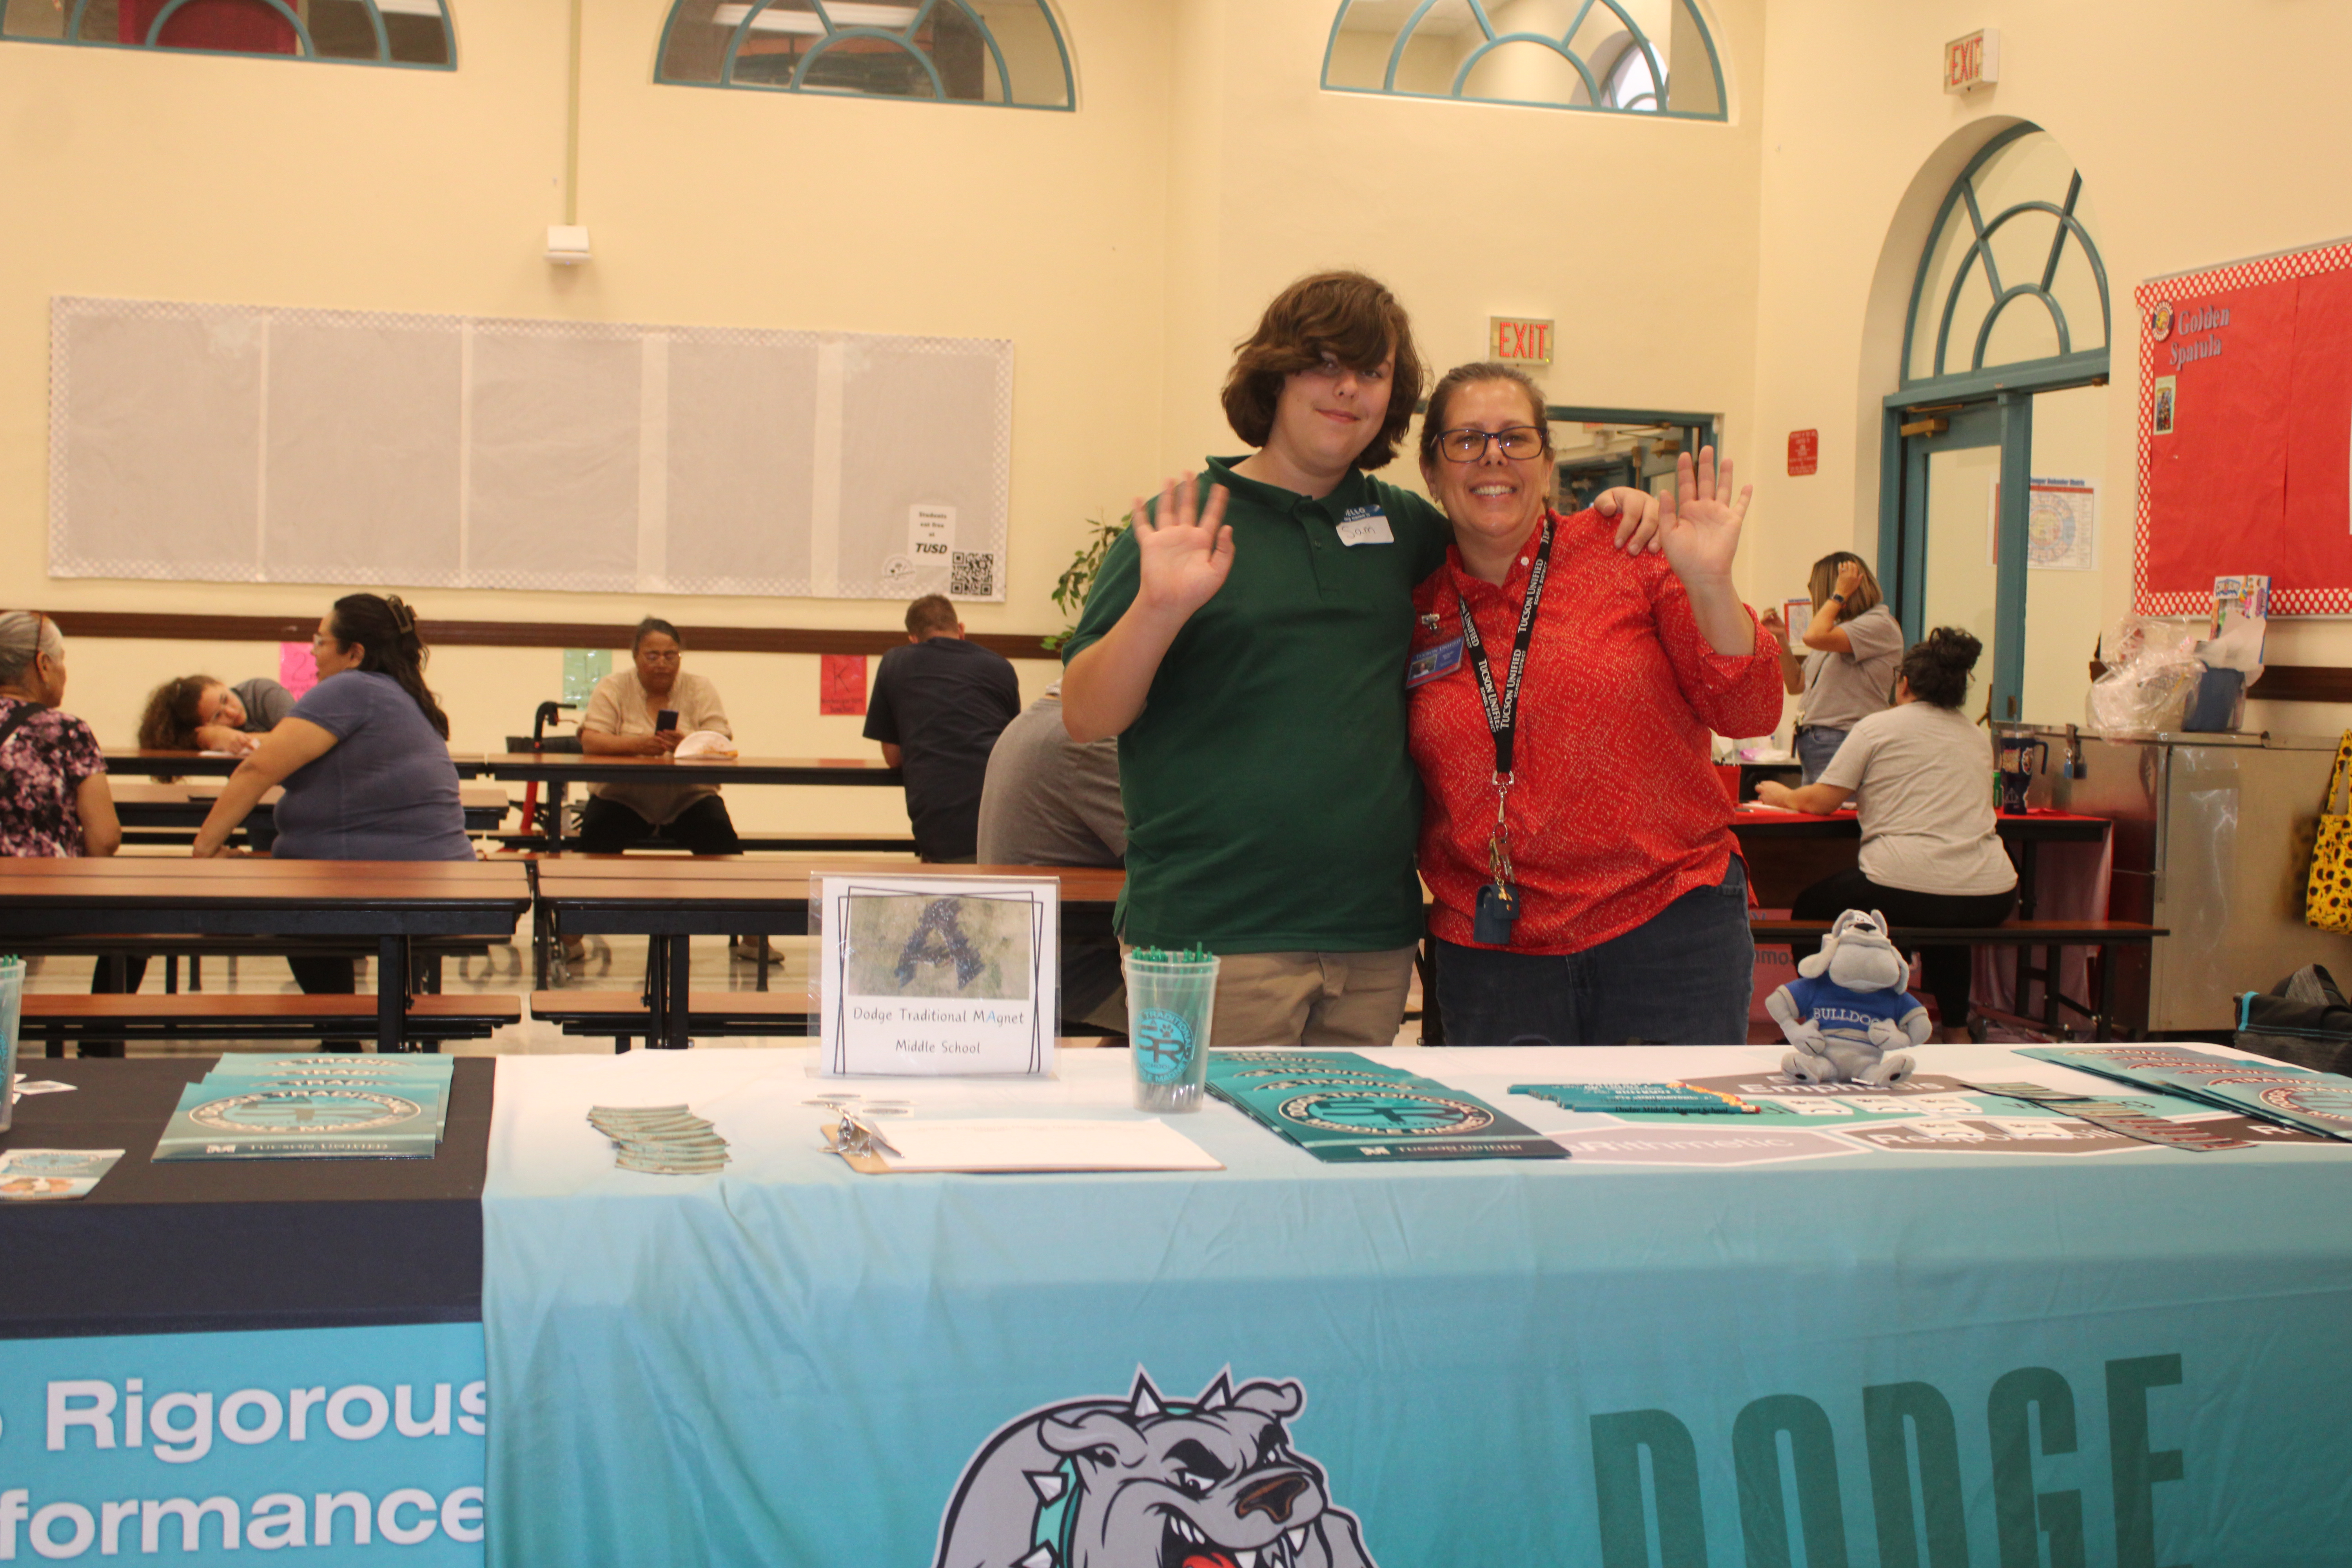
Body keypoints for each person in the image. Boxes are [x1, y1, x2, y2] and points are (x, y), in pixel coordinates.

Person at [1060, 271, 1659, 1047]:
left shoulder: (1404, 525)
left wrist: (1615, 514)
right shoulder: (1185, 523)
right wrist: (1159, 607)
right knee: (1218, 1164)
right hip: (1211, 938)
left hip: (1371, 941)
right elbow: (1084, 715)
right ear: (1273, 374)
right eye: (1322, 363)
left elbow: (1513, 543)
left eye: (1371, 372)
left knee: (1350, 1163)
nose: (1347, 389)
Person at [1406, 363, 1785, 1046]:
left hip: (1668, 927)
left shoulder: (1629, 552)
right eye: (1466, 440)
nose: (1493, 456)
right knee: (1513, 1151)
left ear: (1547, 462)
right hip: (1492, 952)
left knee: (1671, 1149)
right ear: (1431, 472)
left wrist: (1710, 581)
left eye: (1515, 438)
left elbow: (1751, 712)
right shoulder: (1414, 607)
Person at [191, 594, 471, 1005]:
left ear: (354, 653)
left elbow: (256, 770)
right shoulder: (392, 690)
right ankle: (344, 1028)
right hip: (419, 876)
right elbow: (277, 748)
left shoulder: (350, 688)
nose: (312, 650)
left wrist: (203, 854)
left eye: (321, 641)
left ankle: (342, 1032)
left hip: (391, 883)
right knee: (293, 892)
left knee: (290, 903)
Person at [1757, 627, 2019, 1042]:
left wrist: (1782, 795)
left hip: (1905, 883)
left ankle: (1826, 1020)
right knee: (1946, 909)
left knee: (1811, 908)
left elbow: (1823, 800)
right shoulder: (1976, 736)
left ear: (1904, 684)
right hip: (1993, 895)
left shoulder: (1877, 728)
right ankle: (1955, 1030)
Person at [976, 681, 1126, 1032]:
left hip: (1023, 962)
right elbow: (1175, 847)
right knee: (1230, 993)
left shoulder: (1037, 721)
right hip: (1071, 975)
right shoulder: (1085, 742)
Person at [865, 595, 1021, 863]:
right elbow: (1012, 747)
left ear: (913, 639)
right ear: (961, 630)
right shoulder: (1000, 667)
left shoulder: (895, 664)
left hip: (938, 833)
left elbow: (893, 758)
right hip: (1002, 826)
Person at [577, 618, 742, 856]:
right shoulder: (612, 688)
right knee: (596, 836)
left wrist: (687, 745)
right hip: (622, 799)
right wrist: (637, 744)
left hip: (689, 800)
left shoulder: (700, 689)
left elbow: (721, 743)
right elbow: (591, 741)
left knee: (721, 837)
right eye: (652, 656)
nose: (662, 664)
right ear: (635, 656)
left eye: (670, 656)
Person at [1760, 552, 1903, 783]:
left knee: (1836, 817)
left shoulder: (1878, 624)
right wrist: (1781, 639)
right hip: (1818, 741)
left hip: (1842, 738)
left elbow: (1813, 636)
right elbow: (1797, 684)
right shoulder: (1836, 631)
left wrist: (1840, 594)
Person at [0, 612, 124, 860]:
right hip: (44, 889)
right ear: (44, 664)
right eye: (61, 660)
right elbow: (104, 838)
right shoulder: (66, 732)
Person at [137, 674, 296, 755]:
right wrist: (207, 738)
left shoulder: (265, 693)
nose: (232, 712)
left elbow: (299, 739)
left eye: (225, 699)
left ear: (221, 684)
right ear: (205, 725)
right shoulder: (207, 733)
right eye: (218, 716)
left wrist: (229, 736)